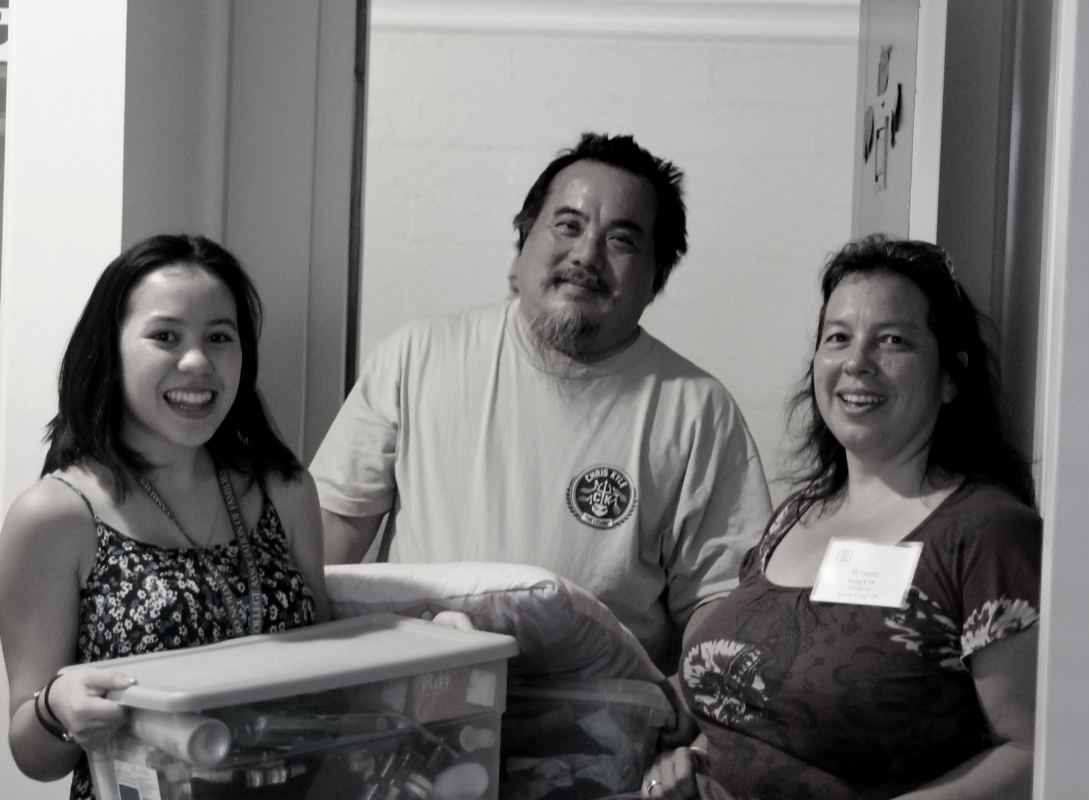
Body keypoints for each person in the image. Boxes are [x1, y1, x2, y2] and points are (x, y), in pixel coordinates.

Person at [311, 132, 771, 675]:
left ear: (656, 277)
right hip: (423, 704)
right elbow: (331, 531)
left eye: (621, 240)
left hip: (601, 726)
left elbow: (718, 602)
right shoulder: (418, 356)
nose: (586, 254)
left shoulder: (698, 411)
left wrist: (688, 717)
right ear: (525, 239)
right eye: (568, 225)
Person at [635, 236, 1041, 800]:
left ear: (951, 376)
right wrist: (694, 762)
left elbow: (1031, 752)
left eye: (892, 340)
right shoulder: (794, 517)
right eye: (838, 338)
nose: (856, 362)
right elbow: (759, 712)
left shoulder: (987, 534)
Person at [0, 235, 336, 798]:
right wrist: (57, 710)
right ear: (110, 351)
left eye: (219, 337)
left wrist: (428, 635)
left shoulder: (284, 488)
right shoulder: (56, 516)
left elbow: (336, 679)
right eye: (165, 336)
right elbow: (33, 757)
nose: (198, 362)